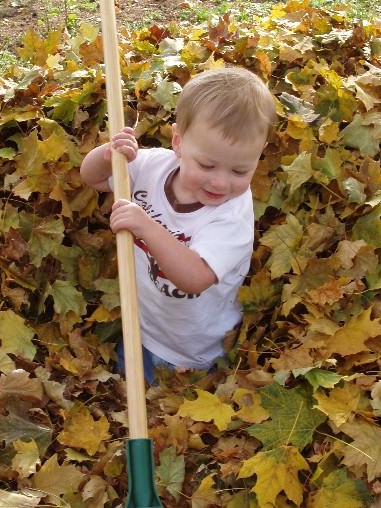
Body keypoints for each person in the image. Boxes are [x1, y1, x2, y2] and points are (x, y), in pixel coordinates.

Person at [80, 66, 276, 383]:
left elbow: (195, 277)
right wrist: (107, 156)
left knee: (168, 417)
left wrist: (146, 227)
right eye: (207, 165)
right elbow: (94, 179)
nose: (221, 182)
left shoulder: (231, 216)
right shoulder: (154, 166)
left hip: (191, 351)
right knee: (122, 390)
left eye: (240, 171)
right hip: (139, 325)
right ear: (178, 142)